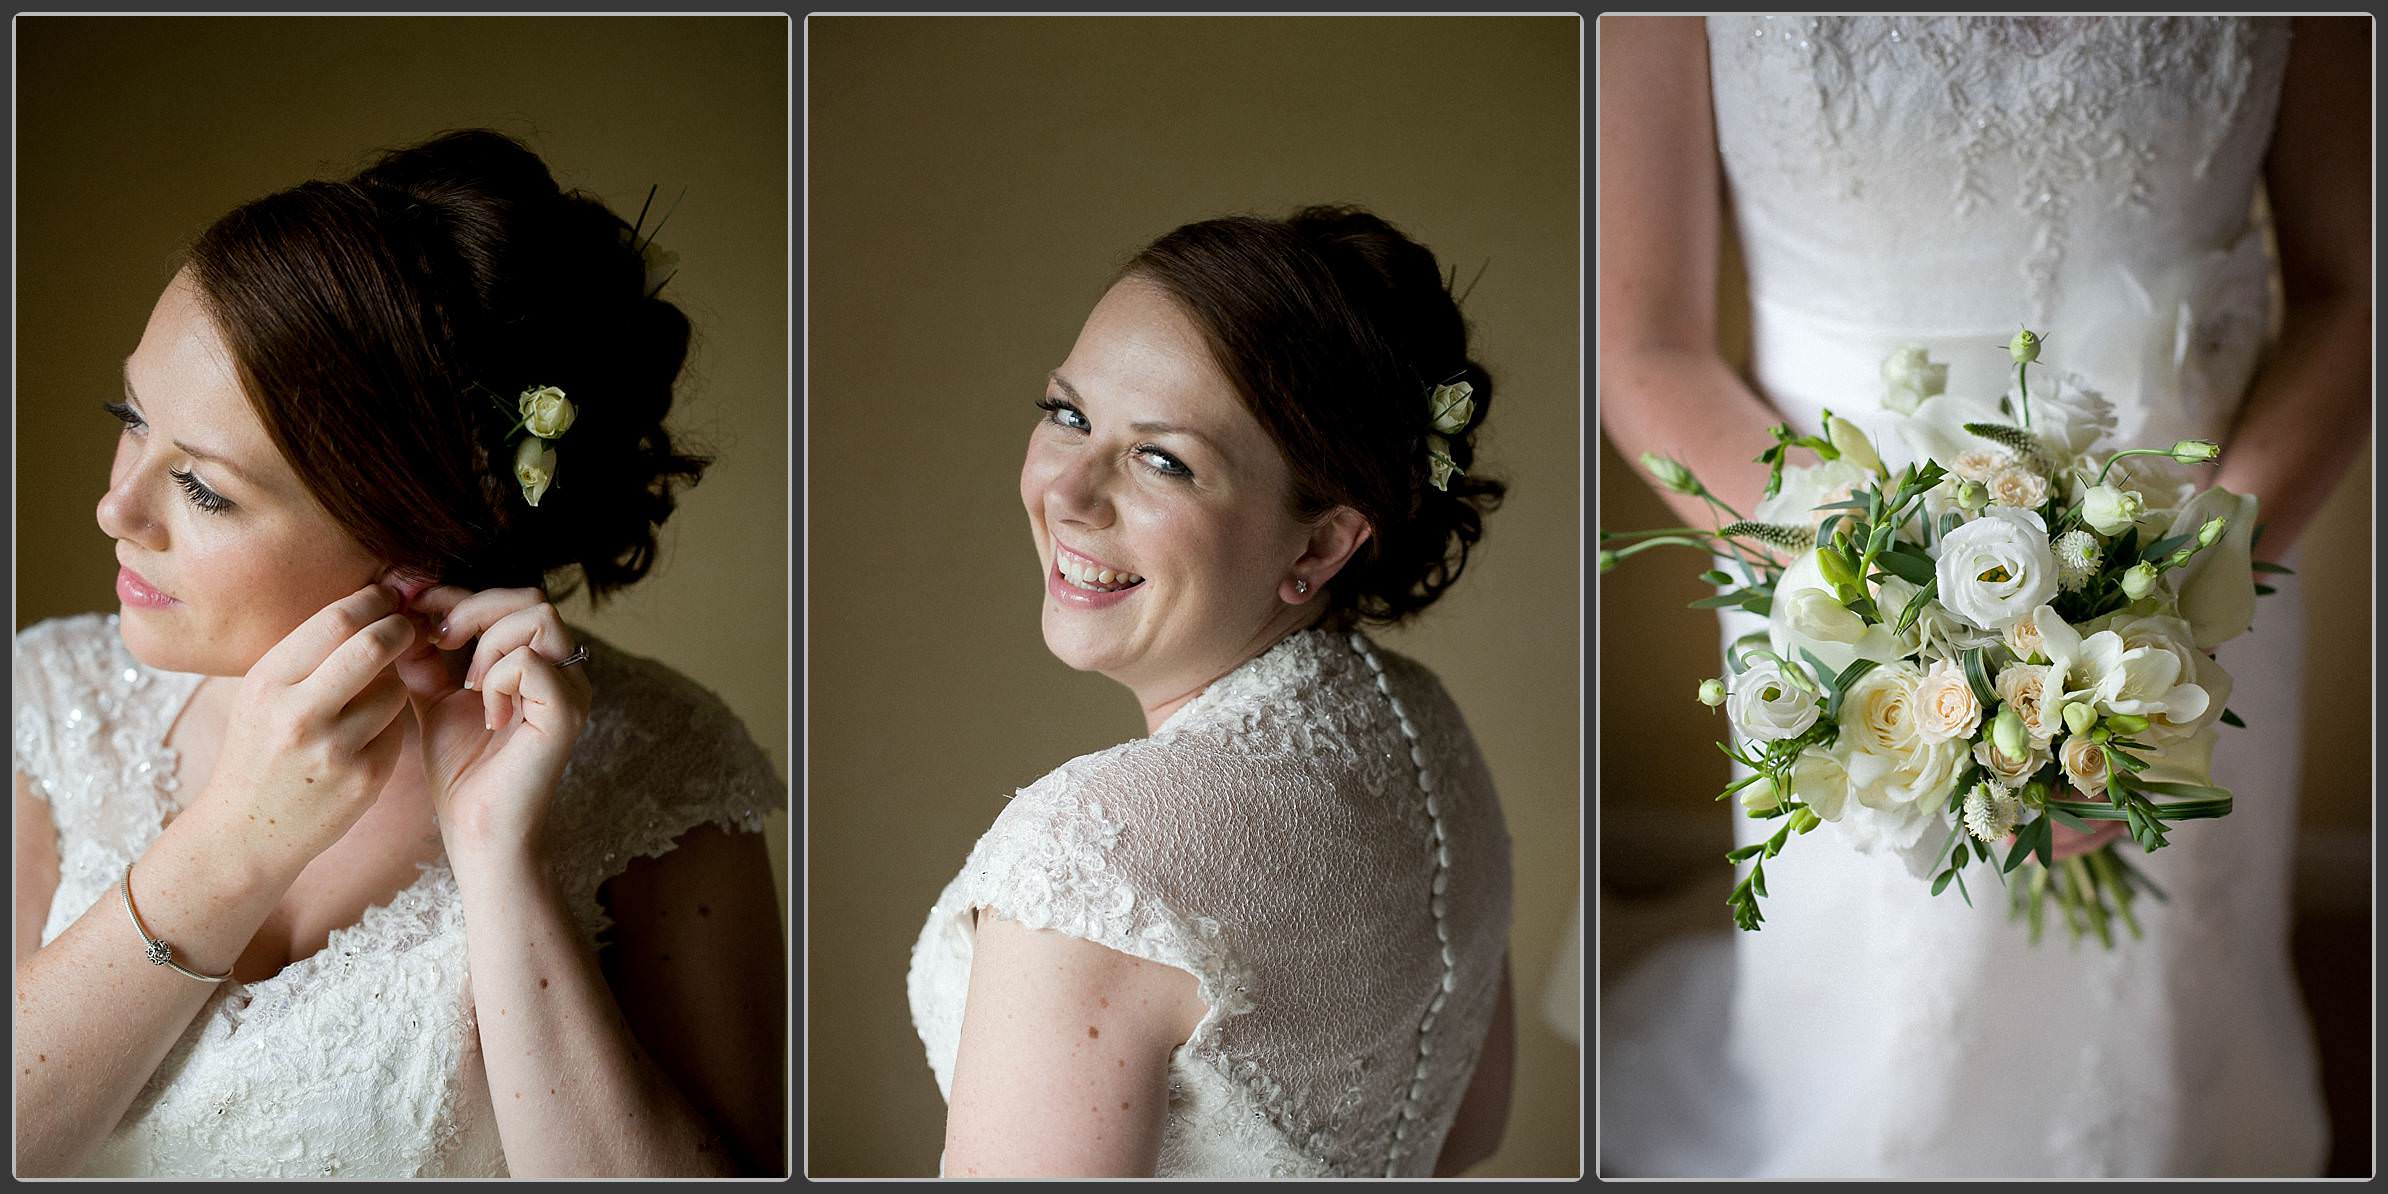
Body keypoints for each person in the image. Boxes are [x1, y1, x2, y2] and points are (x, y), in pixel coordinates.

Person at [1597, 16, 2366, 1178]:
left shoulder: (2194, 574)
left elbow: (2357, 286)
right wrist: (1873, 611)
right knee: (1873, 981)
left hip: (2204, 544)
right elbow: (1645, 341)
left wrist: (2182, 586)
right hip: (1825, 557)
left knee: (2166, 977)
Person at [11, 129, 789, 1178]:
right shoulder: (50, 705)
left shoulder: (666, 771)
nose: (117, 508)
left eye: (204, 489)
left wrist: (500, 867)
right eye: (130, 418)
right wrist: (231, 843)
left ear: (413, 547)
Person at [903, 207, 1518, 1177]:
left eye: (1164, 460)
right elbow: (1470, 1129)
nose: (1069, 491)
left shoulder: (1091, 861)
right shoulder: (1422, 727)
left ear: (1319, 544)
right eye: (1069, 414)